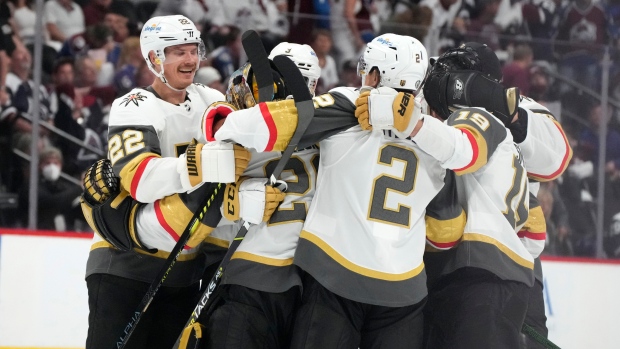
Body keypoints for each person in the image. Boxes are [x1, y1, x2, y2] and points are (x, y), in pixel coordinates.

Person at [205, 33, 464, 349]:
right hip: (405, 290)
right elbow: (446, 232)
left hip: (336, 277)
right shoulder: (434, 133)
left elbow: (276, 125)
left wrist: (223, 124)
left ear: (375, 74)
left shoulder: (351, 103)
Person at [81, 15, 284, 349]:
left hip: (183, 272)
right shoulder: (133, 107)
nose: (190, 60)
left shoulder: (210, 98)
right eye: (178, 52)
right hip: (124, 264)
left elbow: (238, 156)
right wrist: (198, 162)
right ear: (153, 58)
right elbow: (140, 180)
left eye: (194, 50)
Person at [357, 41, 535, 348]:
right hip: (493, 281)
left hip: (479, 278)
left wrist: (412, 122)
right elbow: (536, 239)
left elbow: (466, 152)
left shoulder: (478, 117)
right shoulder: (509, 148)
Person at [417, 42, 571, 348]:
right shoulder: (432, 106)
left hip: (500, 250)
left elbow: (558, 156)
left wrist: (501, 108)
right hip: (439, 252)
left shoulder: (518, 107)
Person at [182, 42, 321, 349]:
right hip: (308, 285)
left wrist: (234, 198)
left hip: (245, 275)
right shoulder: (329, 131)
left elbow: (202, 185)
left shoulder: (245, 125)